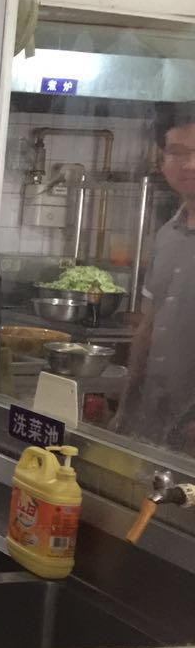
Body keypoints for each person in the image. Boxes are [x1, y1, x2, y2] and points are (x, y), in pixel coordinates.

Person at [114, 103, 195, 450]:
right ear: (163, 160)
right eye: (177, 152)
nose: (189, 164)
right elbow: (148, 326)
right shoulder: (167, 235)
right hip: (155, 420)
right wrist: (126, 405)